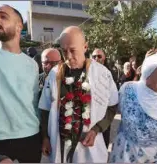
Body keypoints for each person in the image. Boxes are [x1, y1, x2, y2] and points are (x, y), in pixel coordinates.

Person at [39, 26, 118, 163]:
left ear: (85, 47)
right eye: (64, 51)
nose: (68, 56)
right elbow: (45, 108)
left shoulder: (103, 74)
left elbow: (112, 106)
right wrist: (45, 137)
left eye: (73, 50)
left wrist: (96, 130)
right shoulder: (54, 74)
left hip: (89, 146)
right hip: (59, 144)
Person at [109, 53, 157, 163]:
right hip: (122, 155)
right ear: (148, 73)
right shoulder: (128, 89)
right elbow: (110, 109)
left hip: (155, 159)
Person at [0, 5, 41, 162]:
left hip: (31, 138)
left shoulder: (32, 64)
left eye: (3, 16)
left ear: (19, 26)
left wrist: (43, 136)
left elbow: (34, 102)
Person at [91, 48, 117, 148]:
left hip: (104, 116)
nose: (96, 58)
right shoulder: (87, 70)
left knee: (103, 144)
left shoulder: (110, 73)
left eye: (99, 56)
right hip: (90, 116)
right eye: (94, 56)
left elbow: (113, 98)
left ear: (104, 58)